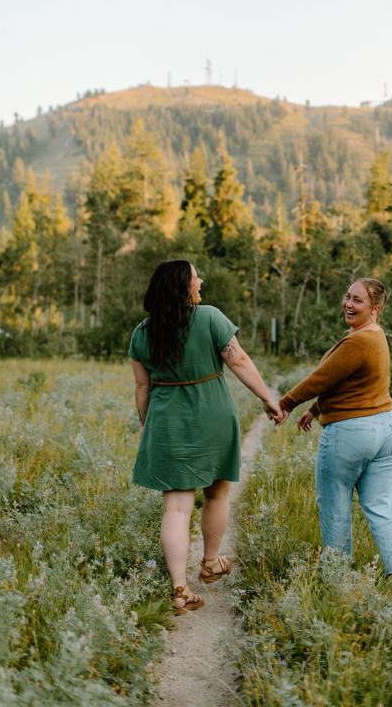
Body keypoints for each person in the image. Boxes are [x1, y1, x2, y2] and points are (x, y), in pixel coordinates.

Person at [129, 259, 281, 615]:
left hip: (167, 419)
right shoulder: (210, 317)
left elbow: (141, 386)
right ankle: (211, 562)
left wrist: (146, 424)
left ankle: (180, 588)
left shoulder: (142, 332)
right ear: (184, 286)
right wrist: (267, 399)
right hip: (211, 412)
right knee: (217, 492)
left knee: (176, 506)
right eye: (196, 277)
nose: (201, 281)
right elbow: (239, 361)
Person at [277, 278, 392, 583]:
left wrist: (287, 403)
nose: (348, 304)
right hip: (386, 429)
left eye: (357, 300)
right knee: (382, 504)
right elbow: (349, 383)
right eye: (347, 297)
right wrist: (314, 410)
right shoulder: (377, 337)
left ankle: (337, 578)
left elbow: (321, 378)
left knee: (335, 505)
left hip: (352, 433)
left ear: (375, 308)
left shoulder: (359, 341)